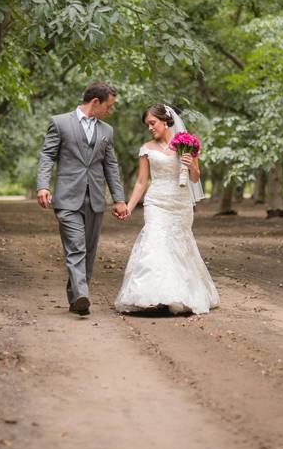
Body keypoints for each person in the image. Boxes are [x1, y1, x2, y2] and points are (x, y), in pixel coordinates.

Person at [114, 104, 219, 315]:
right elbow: (141, 182)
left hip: (180, 204)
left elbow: (195, 178)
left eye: (152, 123)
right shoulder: (146, 148)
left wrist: (191, 165)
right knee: (155, 241)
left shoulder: (187, 143)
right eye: (147, 125)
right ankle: (152, 296)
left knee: (179, 246)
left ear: (165, 120)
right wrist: (129, 207)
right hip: (156, 203)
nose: (150, 128)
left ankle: (179, 295)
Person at [36, 82, 129, 317]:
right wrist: (42, 186)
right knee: (76, 247)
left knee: (88, 250)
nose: (110, 110)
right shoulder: (60, 122)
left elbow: (111, 166)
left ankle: (75, 297)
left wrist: (119, 199)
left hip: (95, 198)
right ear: (95, 102)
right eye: (109, 106)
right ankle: (82, 294)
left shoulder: (107, 131)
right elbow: (48, 155)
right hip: (67, 197)